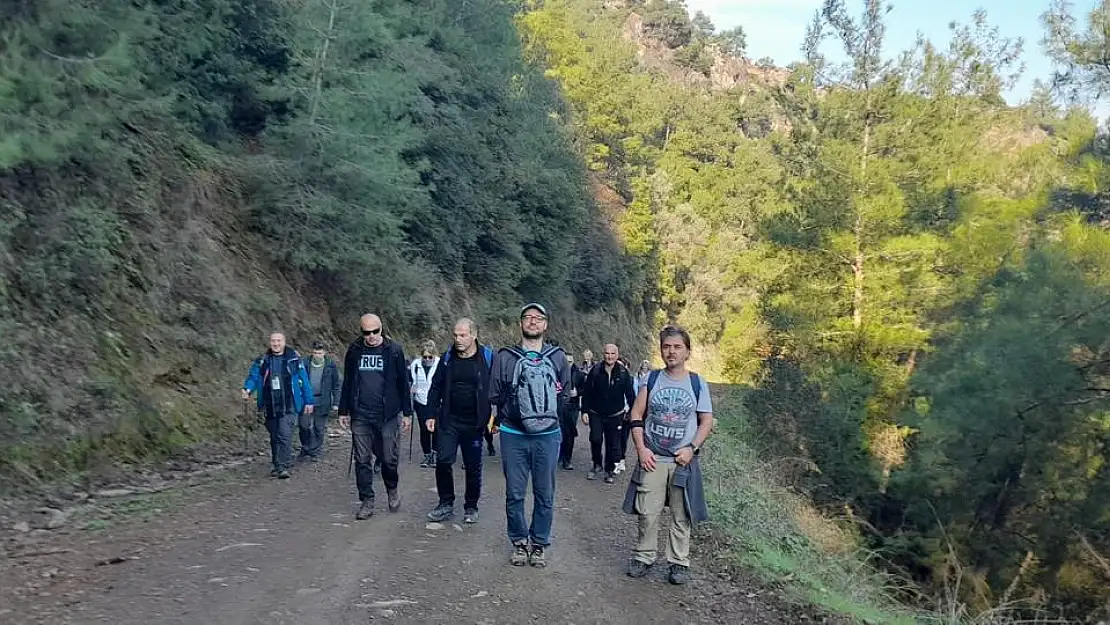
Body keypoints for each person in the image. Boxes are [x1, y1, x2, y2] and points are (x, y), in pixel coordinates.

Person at [623, 326, 713, 585]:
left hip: (682, 460)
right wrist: (641, 449)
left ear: (687, 351)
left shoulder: (697, 383)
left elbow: (706, 420)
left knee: (681, 513)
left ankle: (678, 562)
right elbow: (636, 415)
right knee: (647, 512)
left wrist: (692, 448)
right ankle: (643, 556)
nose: (671, 352)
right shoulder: (650, 380)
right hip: (653, 457)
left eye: (677, 347)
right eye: (666, 347)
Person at [489, 303, 570, 568]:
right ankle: (519, 542)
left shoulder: (558, 357)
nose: (533, 322)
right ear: (520, 324)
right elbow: (493, 392)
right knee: (515, 492)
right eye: (527, 318)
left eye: (538, 318)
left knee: (545, 492)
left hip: (547, 434)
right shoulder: (505, 356)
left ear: (546, 325)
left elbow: (565, 395)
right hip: (513, 433)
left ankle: (539, 543)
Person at [338, 314, 413, 520]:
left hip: (387, 414)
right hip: (361, 414)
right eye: (366, 332)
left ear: (382, 329)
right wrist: (343, 410)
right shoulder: (354, 351)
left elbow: (403, 384)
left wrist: (407, 413)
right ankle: (367, 500)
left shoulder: (394, 351)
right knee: (362, 459)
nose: (370, 336)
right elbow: (348, 382)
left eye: (374, 331)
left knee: (389, 458)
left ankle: (392, 488)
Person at [424, 319, 495, 524]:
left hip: (474, 423)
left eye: (462, 335)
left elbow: (497, 387)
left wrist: (496, 417)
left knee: (473, 465)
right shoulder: (447, 358)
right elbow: (436, 386)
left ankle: (471, 506)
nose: (458, 339)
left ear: (474, 335)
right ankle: (445, 503)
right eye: (455, 335)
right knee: (444, 460)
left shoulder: (488, 358)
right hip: (449, 419)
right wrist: (430, 414)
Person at [241, 332, 315, 479]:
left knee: (284, 434)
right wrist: (247, 389)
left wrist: (309, 401)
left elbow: (304, 380)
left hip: (290, 403)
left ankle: (283, 466)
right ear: (270, 342)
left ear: (284, 341)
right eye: (273, 341)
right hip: (270, 404)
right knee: (274, 435)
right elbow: (254, 377)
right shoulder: (263, 360)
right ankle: (277, 464)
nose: (276, 343)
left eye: (279, 341)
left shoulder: (293, 359)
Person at [581, 343, 636, 484]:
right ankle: (597, 464)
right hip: (596, 413)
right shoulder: (595, 370)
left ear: (617, 355)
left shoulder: (623, 373)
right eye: (607, 353)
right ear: (603, 354)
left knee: (612, 444)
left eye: (612, 354)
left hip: (615, 415)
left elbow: (630, 395)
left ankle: (609, 470)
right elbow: (587, 392)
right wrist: (584, 411)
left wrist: (632, 412)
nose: (609, 356)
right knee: (595, 439)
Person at [298, 341, 341, 462]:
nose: (317, 355)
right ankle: (306, 447)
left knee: (319, 428)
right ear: (312, 352)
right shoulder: (305, 363)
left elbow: (336, 385)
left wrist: (336, 403)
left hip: (323, 400)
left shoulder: (330, 365)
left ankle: (315, 450)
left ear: (324, 353)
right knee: (304, 425)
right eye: (315, 353)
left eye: (320, 353)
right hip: (307, 400)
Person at [410, 340, 441, 468]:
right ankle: (427, 454)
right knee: (424, 430)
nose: (427, 359)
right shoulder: (415, 364)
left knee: (436, 429)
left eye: (430, 357)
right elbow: (411, 379)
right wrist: (412, 387)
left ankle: (435, 454)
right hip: (421, 401)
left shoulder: (440, 363)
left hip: (436, 401)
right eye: (425, 357)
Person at [558, 352, 587, 471]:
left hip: (572, 407)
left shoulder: (579, 374)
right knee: (559, 432)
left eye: (570, 361)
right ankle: (559, 455)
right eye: (566, 361)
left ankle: (567, 459)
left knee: (569, 433)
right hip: (559, 406)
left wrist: (578, 393)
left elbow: (586, 390)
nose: (568, 364)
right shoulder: (557, 371)